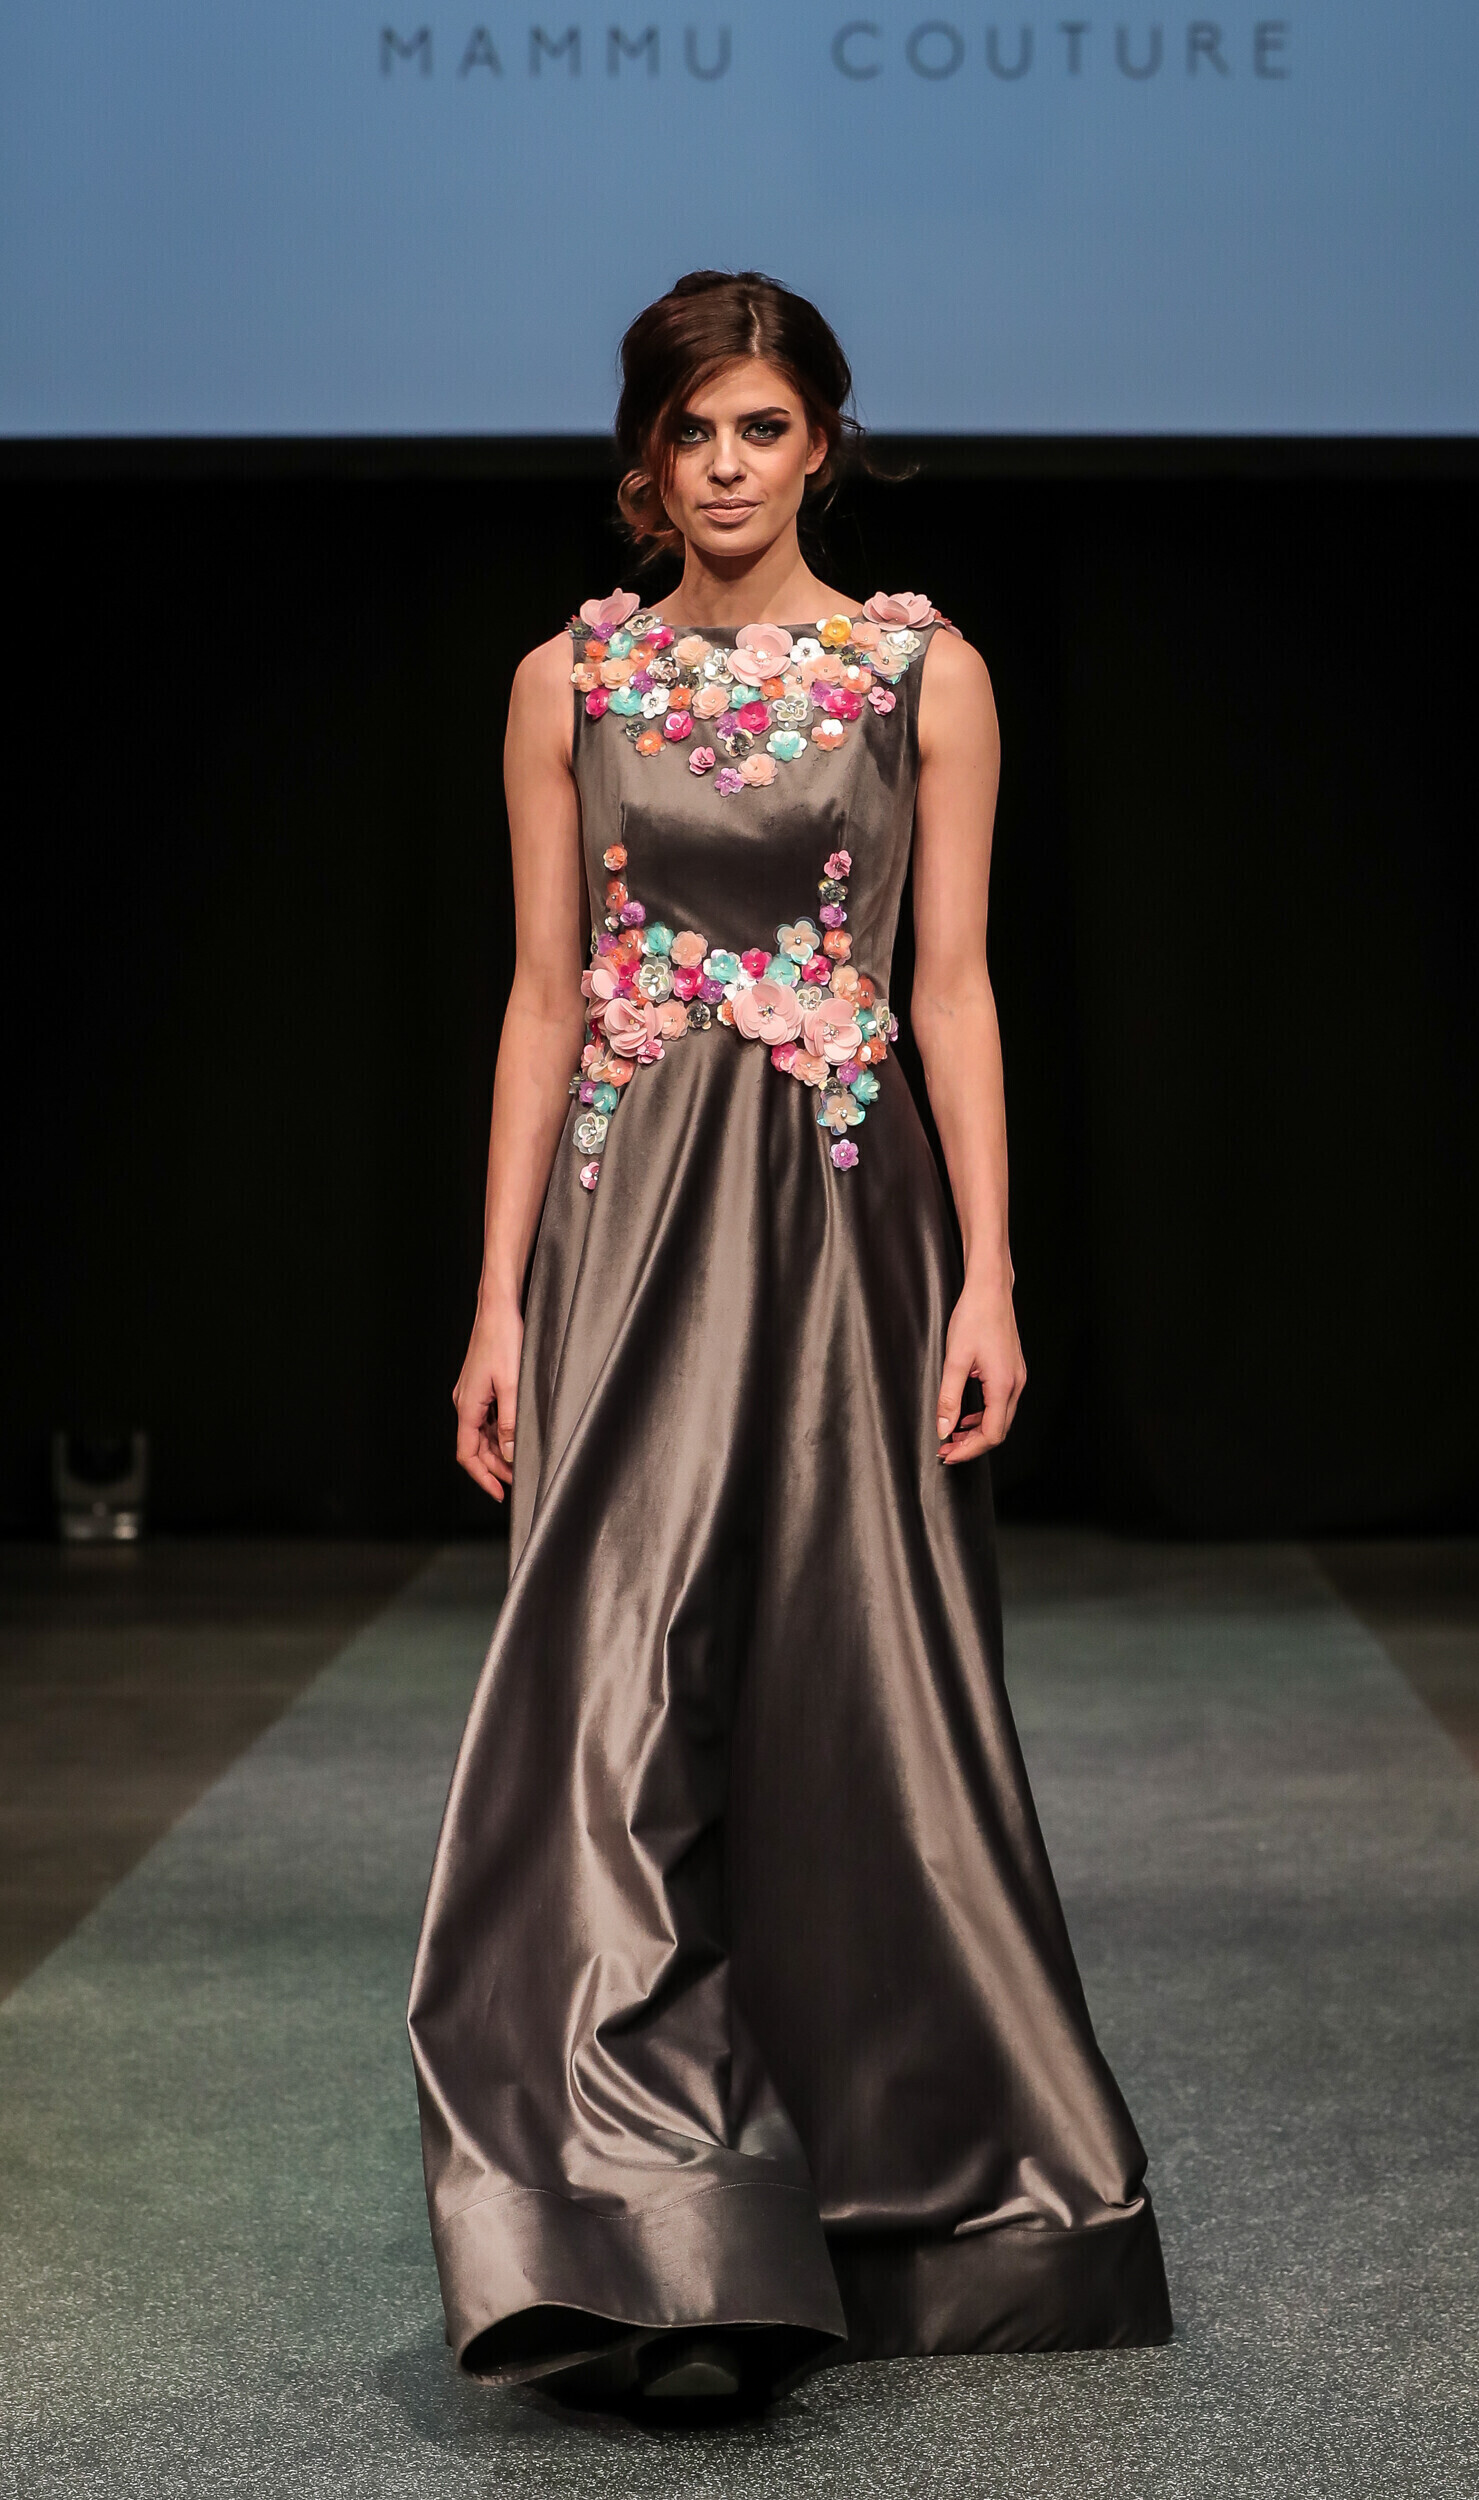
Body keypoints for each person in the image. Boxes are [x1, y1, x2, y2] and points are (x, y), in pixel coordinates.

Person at [407, 270, 1171, 2412]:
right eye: (692, 431)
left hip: (847, 1222)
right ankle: (646, 2221)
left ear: (822, 442)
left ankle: (916, 2200)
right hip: (630, 1224)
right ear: (642, 459)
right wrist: (493, 1296)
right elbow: (545, 997)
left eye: (763, 426)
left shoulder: (924, 670)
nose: (727, 466)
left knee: (860, 1684)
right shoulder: (569, 679)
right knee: (609, 1693)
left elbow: (955, 988)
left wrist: (992, 1273)